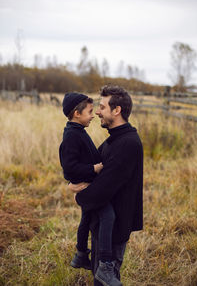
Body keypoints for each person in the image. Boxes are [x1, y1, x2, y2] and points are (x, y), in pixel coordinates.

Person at [69, 85, 143, 286]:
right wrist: (74, 180)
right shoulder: (114, 140)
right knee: (98, 278)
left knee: (104, 281)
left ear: (116, 110)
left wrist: (79, 196)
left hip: (114, 228)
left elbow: (103, 188)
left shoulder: (127, 143)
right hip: (102, 224)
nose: (98, 112)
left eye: (102, 107)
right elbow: (90, 170)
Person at [59, 92, 122, 286]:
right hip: (87, 185)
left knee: (86, 218)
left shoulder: (77, 130)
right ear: (77, 114)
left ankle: (80, 254)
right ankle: (104, 265)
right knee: (108, 216)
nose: (93, 115)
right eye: (89, 112)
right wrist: (92, 169)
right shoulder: (71, 135)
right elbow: (68, 166)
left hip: (87, 184)